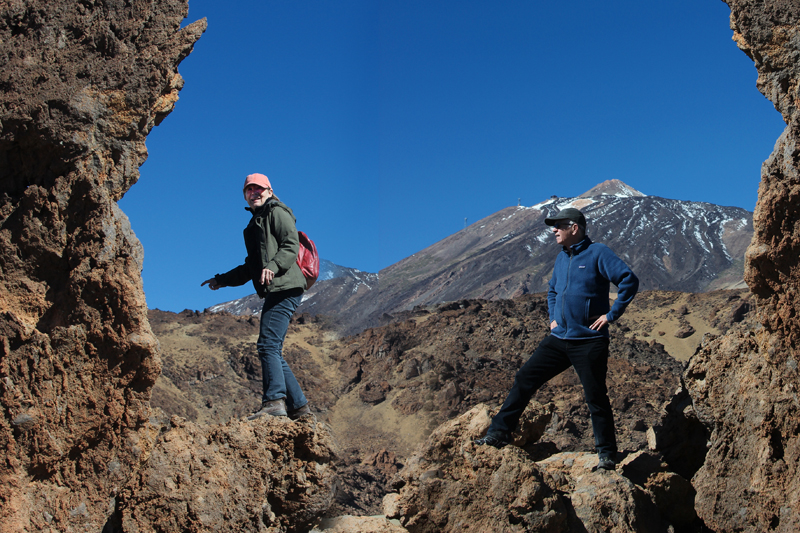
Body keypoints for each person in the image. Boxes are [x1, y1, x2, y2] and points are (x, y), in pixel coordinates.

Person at [475, 207, 638, 471]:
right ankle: (499, 433)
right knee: (524, 379)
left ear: (575, 228)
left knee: (595, 396)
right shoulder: (562, 258)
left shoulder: (598, 253)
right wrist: (553, 318)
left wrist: (611, 315)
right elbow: (552, 290)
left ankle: (607, 454)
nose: (554, 230)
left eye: (559, 225)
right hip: (559, 338)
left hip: (589, 340)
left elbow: (629, 280)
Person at [202, 173, 311, 420]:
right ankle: (300, 408)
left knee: (267, 345)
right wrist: (221, 280)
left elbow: (290, 245)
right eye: (249, 190)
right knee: (271, 347)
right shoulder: (254, 225)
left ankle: (274, 402)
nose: (254, 193)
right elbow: (250, 267)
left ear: (270, 191)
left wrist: (273, 266)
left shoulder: (277, 212)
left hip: (286, 285)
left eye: (259, 189)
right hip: (277, 288)